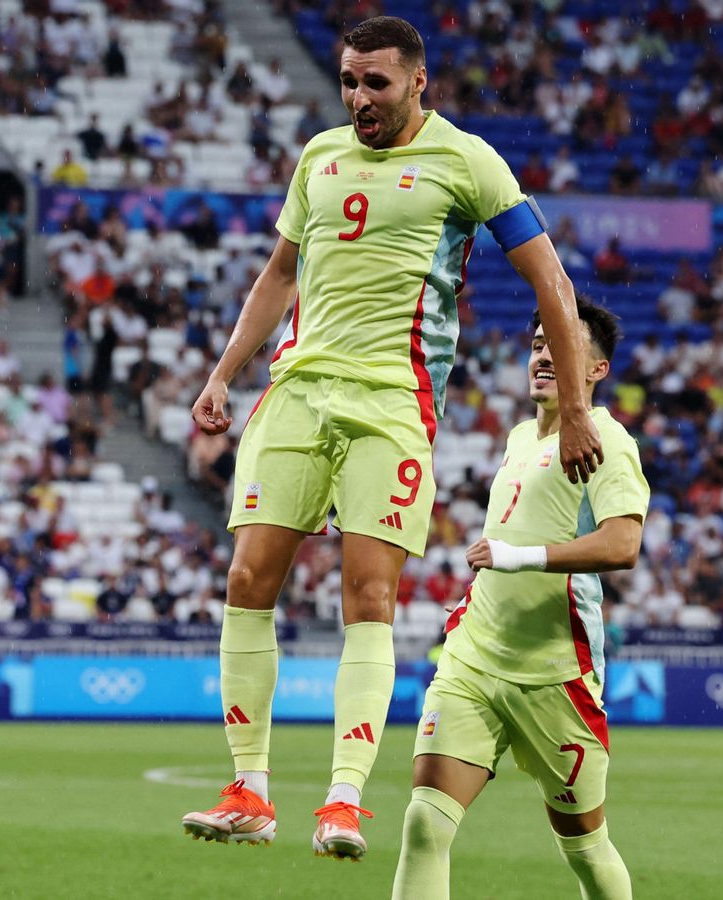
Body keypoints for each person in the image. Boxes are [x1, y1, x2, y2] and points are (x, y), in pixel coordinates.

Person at [182, 15, 604, 861]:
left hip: (392, 403)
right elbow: (278, 274)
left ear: (419, 84)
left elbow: (550, 279)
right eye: (348, 81)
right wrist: (224, 372)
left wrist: (580, 413)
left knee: (367, 596)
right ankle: (250, 790)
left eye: (375, 83)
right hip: (297, 392)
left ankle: (343, 800)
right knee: (246, 576)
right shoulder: (319, 157)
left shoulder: (468, 161)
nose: (358, 98)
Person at [392, 302, 644, 899]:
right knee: (424, 820)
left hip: (554, 671)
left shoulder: (608, 439)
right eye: (537, 343)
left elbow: (623, 542)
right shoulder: (517, 437)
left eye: (561, 343)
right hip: (475, 657)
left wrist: (522, 557)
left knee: (585, 848)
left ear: (598, 369)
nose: (543, 354)